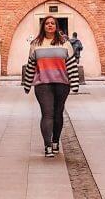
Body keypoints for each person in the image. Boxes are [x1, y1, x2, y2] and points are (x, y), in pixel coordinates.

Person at [22, 15, 79, 157]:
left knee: (58, 113)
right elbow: (31, 65)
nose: (50, 25)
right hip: (43, 84)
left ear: (56, 26)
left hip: (62, 84)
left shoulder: (65, 43)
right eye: (47, 23)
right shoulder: (36, 44)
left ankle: (55, 142)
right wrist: (27, 84)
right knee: (47, 114)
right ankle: (47, 146)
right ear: (43, 26)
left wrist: (75, 84)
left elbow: (71, 65)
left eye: (52, 23)